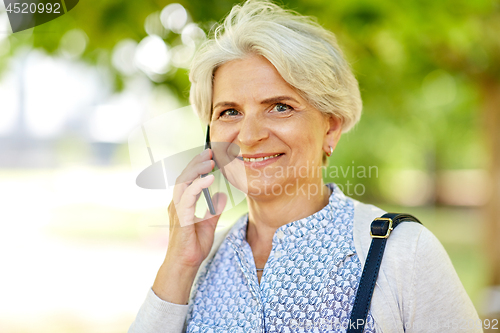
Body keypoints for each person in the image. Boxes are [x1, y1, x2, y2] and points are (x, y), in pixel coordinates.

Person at [129, 1, 482, 332]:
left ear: (331, 127)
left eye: (280, 107)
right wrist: (179, 265)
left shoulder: (403, 253)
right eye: (229, 112)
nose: (249, 136)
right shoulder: (196, 265)